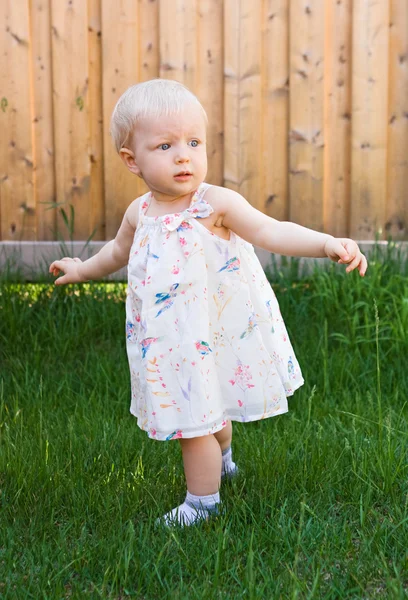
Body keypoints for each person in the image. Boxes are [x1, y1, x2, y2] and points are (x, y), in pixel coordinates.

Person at [49, 79, 368, 527]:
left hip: (213, 331)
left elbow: (271, 230)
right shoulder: (139, 212)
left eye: (193, 142)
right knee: (203, 407)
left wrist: (325, 243)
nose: (183, 155)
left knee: (194, 421)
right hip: (167, 339)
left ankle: (202, 502)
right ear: (131, 160)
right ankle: (225, 459)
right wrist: (82, 269)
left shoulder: (213, 203)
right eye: (164, 146)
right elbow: (116, 254)